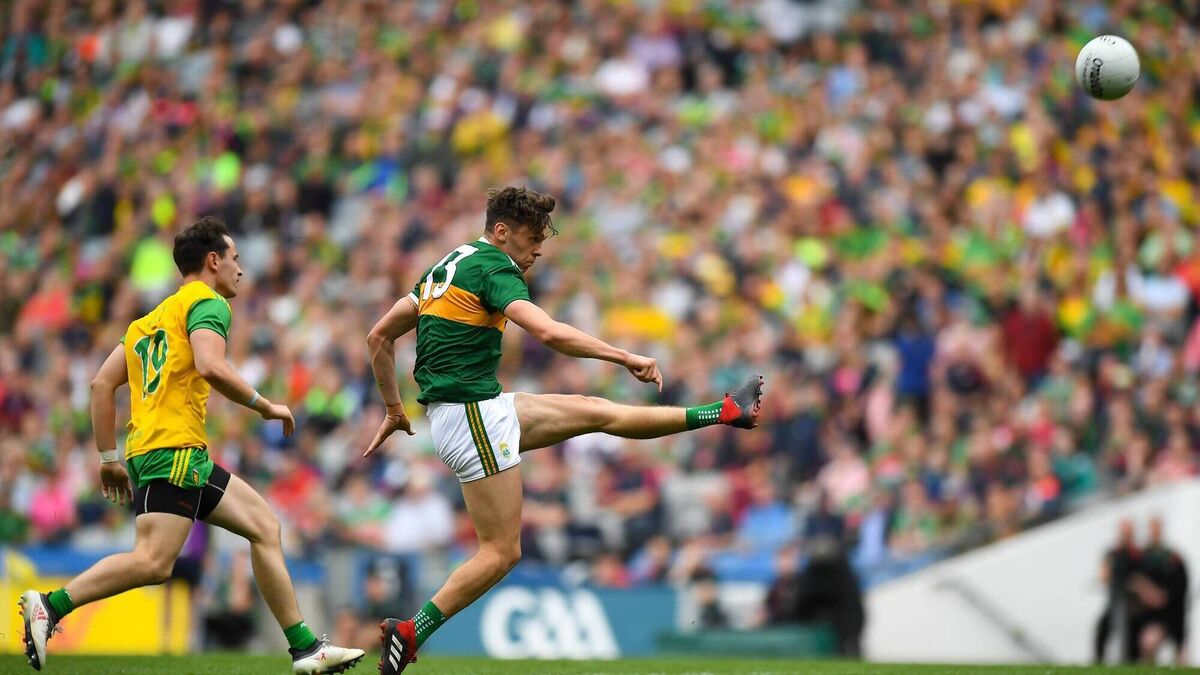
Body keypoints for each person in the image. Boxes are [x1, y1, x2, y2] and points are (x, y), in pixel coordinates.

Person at [364, 186, 764, 673]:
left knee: (596, 411)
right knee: (501, 552)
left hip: (476, 410)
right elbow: (548, 332)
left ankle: (726, 411)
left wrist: (394, 407)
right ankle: (410, 632)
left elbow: (378, 336)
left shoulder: (448, 265)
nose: (538, 251)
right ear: (502, 232)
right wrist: (623, 355)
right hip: (471, 416)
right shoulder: (493, 268)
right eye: (532, 239)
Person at [18, 217, 363, 674]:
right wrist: (264, 405)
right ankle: (50, 605)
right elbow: (211, 366)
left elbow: (101, 384)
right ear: (213, 261)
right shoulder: (208, 303)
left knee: (262, 525)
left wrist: (107, 459)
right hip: (175, 450)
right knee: (154, 561)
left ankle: (305, 648)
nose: (241, 268)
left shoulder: (148, 321)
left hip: (156, 450)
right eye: (235, 258)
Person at [1131, 516, 1189, 665]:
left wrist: (1162, 596)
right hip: (1149, 617)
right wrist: (1144, 590)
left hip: (1173, 615)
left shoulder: (1173, 558)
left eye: (1156, 528)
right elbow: (1132, 580)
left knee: (1181, 658)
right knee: (1148, 643)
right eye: (1152, 529)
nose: (1154, 532)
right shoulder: (1141, 558)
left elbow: (1180, 587)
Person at [1094, 518, 1141, 664]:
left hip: (1132, 603)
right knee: (1102, 630)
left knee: (1128, 635)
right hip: (1114, 599)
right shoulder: (1112, 554)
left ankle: (1128, 662)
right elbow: (1103, 575)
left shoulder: (1137, 554)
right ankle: (1099, 663)